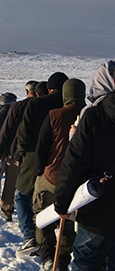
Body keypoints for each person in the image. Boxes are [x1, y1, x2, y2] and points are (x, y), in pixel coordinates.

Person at [54, 64, 115, 271]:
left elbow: (75, 161)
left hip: (98, 206)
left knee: (85, 261)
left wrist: (62, 202)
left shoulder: (94, 116)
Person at [33, 79, 86, 271]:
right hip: (76, 181)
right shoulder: (89, 114)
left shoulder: (54, 115)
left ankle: (47, 254)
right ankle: (62, 259)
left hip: (51, 176)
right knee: (69, 222)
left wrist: (40, 171)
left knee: (42, 216)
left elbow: (42, 146)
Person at [15, 72, 69, 257]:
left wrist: (23, 153)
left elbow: (24, 133)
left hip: (33, 156)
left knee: (22, 195)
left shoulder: (36, 104)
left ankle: (30, 236)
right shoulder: (70, 106)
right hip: (62, 160)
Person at [0, 80, 38, 222]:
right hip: (35, 153)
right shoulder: (42, 107)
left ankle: (7, 208)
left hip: (15, 151)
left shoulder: (17, 106)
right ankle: (31, 212)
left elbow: (6, 130)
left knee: (11, 181)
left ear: (26, 92)